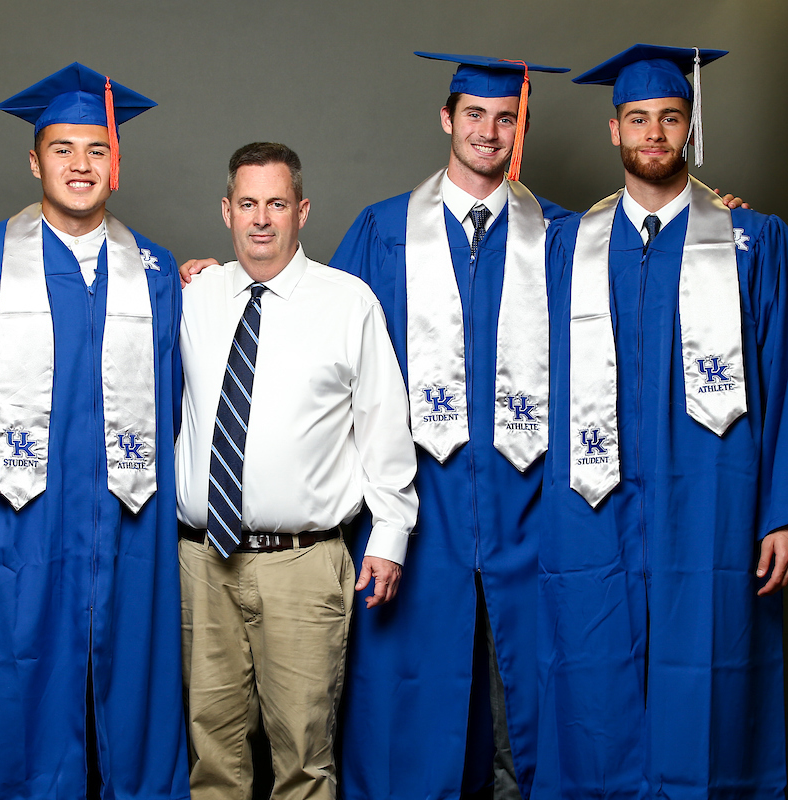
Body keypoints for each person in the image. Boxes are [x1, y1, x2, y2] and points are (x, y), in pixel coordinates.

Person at [534, 45, 788, 797]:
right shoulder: (567, 245)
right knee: (593, 679)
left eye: (670, 118)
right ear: (615, 130)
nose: (654, 133)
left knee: (714, 679)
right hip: (594, 504)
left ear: (690, 128)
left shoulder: (752, 241)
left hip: (715, 504)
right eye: (638, 119)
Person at [0, 63, 188, 800]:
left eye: (97, 149)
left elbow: (173, 405)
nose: (80, 164)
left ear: (116, 163)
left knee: (128, 688)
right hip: (15, 522)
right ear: (34, 160)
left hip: (127, 519)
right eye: (62, 148)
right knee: (7, 689)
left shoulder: (155, 271)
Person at [328, 53, 569, 800]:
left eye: (505, 118)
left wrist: (716, 223)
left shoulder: (564, 236)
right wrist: (224, 279)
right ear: (447, 119)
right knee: (412, 697)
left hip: (534, 507)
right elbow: (320, 340)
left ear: (519, 128)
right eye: (474, 115)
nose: (488, 132)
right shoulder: (384, 230)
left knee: (530, 695)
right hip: (416, 508)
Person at [175, 142, 418, 800]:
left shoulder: (348, 302)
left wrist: (391, 535)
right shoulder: (195, 296)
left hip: (303, 564)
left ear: (302, 211)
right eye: (248, 203)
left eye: (277, 204)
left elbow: (383, 423)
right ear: (226, 210)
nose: (261, 219)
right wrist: (189, 273)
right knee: (211, 755)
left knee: (305, 758)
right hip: (203, 562)